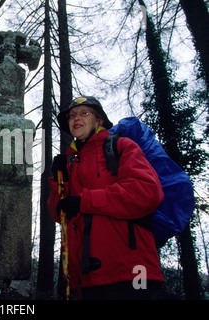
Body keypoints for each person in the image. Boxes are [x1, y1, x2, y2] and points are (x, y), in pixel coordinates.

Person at [48, 96, 165, 300]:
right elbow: (60, 215)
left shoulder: (121, 146)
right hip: (88, 279)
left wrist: (85, 201)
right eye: (72, 115)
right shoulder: (71, 163)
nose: (76, 118)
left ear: (99, 121)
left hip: (132, 271)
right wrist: (58, 181)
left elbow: (147, 192)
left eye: (85, 113)